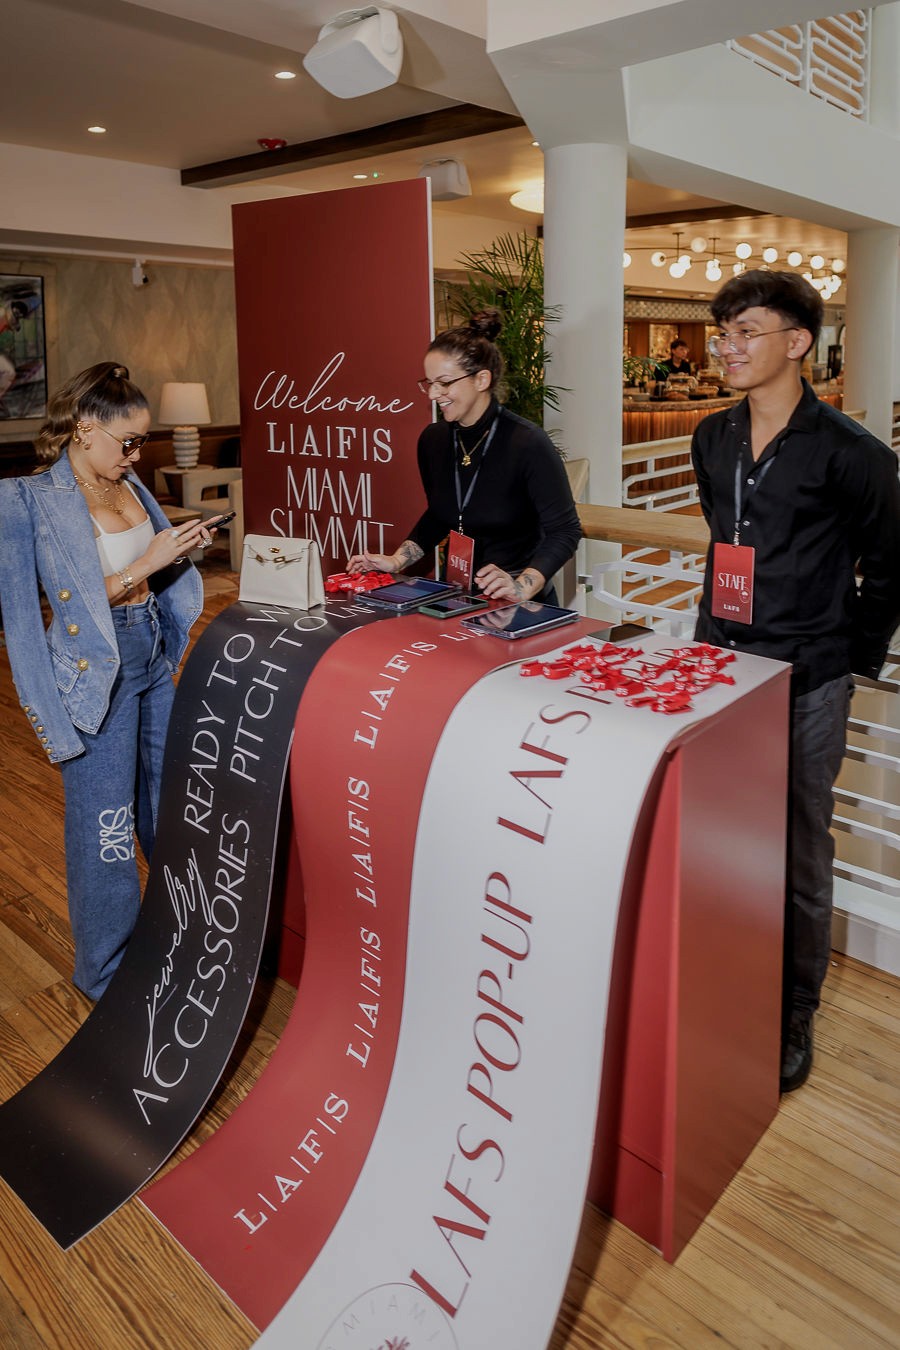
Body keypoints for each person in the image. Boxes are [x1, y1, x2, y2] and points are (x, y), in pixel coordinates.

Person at [691, 270, 900, 1093]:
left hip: (807, 679)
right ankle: (729, 971)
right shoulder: (712, 436)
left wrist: (846, 660)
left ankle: (794, 1008)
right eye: (724, 334)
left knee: (800, 844)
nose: (728, 348)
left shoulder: (853, 453)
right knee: (721, 832)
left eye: (745, 332)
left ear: (798, 342)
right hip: (721, 667)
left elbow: (889, 571)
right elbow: (724, 532)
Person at [0, 362, 222, 1000]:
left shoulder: (130, 483)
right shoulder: (28, 499)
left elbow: (151, 568)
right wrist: (51, 723)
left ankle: (177, 930)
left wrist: (176, 550)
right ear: (84, 429)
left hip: (153, 652)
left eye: (142, 442)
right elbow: (24, 623)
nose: (136, 454)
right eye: (128, 441)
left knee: (168, 804)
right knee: (106, 826)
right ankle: (105, 974)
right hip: (96, 672)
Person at [347, 309, 581, 604]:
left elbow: (565, 531)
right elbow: (439, 514)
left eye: (444, 383)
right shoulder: (433, 440)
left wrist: (521, 587)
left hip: (518, 603)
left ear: (481, 379)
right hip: (457, 598)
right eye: (429, 383)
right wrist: (396, 561)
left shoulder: (528, 443)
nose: (433, 394)